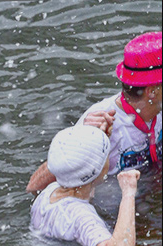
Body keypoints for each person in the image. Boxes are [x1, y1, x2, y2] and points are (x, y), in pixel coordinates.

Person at [27, 32, 161, 194]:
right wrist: (81, 141)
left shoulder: (157, 108)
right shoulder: (100, 123)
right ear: (152, 91)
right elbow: (35, 187)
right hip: (112, 212)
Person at [31, 125, 141, 246]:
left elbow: (83, 176)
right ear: (97, 170)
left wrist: (97, 139)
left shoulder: (49, 191)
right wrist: (128, 192)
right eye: (106, 155)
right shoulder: (82, 216)